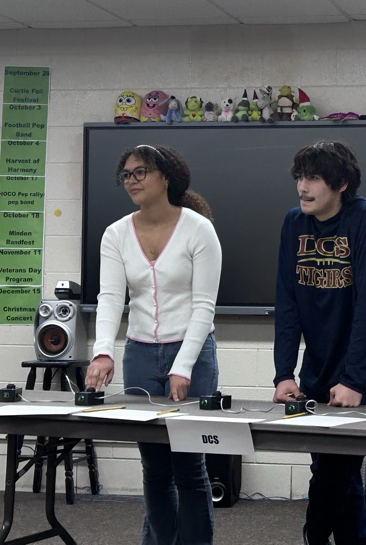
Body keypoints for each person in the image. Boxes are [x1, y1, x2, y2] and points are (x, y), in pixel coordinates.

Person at [85, 144, 222, 545]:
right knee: (155, 468)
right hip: (141, 355)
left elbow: (204, 305)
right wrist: (103, 350)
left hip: (193, 355)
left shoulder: (199, 229)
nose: (132, 180)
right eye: (126, 175)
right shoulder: (116, 233)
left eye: (140, 172)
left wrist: (183, 365)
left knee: (189, 468)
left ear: (166, 177)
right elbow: (110, 298)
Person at [272, 140, 366, 545]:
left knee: (336, 466)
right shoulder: (295, 224)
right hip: (322, 364)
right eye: (299, 177)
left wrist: (355, 379)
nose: (303, 187)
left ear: (341, 183)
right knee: (334, 467)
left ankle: (313, 536)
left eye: (313, 178)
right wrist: (283, 373)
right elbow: (287, 301)